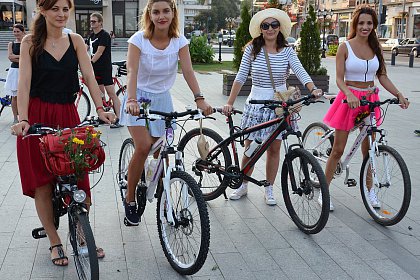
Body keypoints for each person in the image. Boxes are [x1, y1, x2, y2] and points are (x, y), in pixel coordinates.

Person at [10, 0, 115, 266]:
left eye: (66, 9)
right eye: (55, 8)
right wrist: (23, 119)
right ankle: (55, 241)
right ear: (42, 11)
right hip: (37, 116)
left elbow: (89, 77)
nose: (61, 14)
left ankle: (82, 235)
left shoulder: (77, 40)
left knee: (79, 178)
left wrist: (101, 108)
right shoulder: (29, 42)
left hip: (68, 114)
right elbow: (23, 84)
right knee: (43, 182)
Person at [120, 0, 213, 226]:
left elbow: (188, 70)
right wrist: (131, 99)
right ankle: (130, 198)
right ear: (149, 15)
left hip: (163, 98)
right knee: (143, 147)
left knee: (162, 151)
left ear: (173, 13)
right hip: (139, 97)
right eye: (156, 12)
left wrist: (200, 98)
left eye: (166, 11)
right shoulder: (138, 40)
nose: (161, 16)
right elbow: (131, 71)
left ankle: (164, 199)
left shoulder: (179, 41)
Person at [222, 8, 323, 206]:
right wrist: (230, 102)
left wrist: (313, 88)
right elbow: (241, 77)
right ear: (260, 29)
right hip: (257, 102)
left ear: (280, 28)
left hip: (279, 103)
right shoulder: (252, 49)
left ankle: (269, 187)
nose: (270, 29)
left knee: (274, 148)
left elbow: (300, 71)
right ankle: (243, 184)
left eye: (274, 25)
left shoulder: (287, 51)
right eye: (265, 25)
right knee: (250, 147)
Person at [323, 5, 410, 211]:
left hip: (370, 101)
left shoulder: (376, 48)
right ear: (355, 24)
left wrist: (398, 94)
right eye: (361, 23)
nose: (365, 27)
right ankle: (324, 193)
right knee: (338, 150)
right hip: (350, 99)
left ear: (374, 25)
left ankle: (370, 191)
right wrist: (350, 93)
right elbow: (339, 79)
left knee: (369, 150)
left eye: (369, 23)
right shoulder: (345, 47)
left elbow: (382, 76)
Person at [87, 12, 122, 128]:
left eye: (94, 21)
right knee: (100, 94)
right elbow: (83, 49)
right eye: (91, 21)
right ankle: (104, 115)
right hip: (95, 69)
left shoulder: (104, 35)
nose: (91, 23)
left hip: (104, 68)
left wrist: (89, 63)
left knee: (111, 94)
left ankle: (119, 119)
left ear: (100, 23)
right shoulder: (91, 36)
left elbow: (99, 52)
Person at [4, 23, 25, 124]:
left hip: (25, 70)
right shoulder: (11, 44)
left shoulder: (27, 42)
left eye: (18, 31)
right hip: (15, 71)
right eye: (14, 31)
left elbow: (30, 57)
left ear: (23, 32)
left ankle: (24, 116)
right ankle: (15, 118)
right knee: (15, 96)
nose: (16, 33)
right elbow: (10, 57)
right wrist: (23, 57)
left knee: (25, 95)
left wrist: (16, 56)